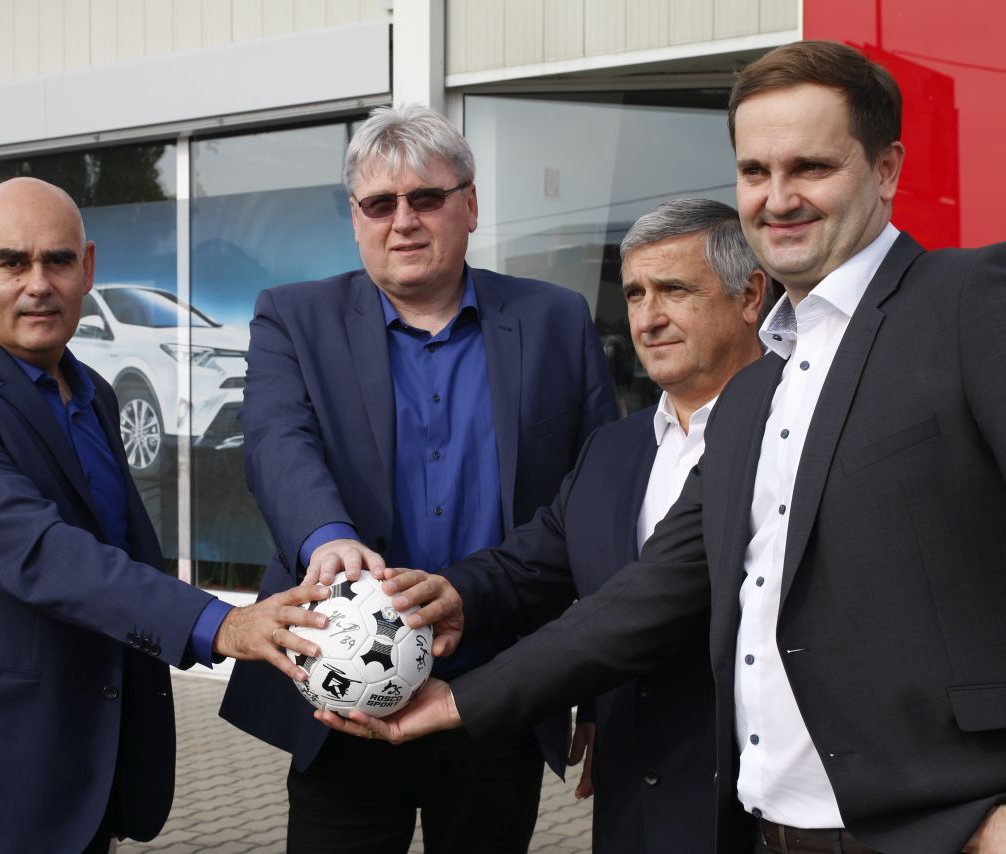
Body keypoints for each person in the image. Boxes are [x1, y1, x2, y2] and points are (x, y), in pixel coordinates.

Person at [320, 41, 1006, 854]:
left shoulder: (969, 302)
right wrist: (462, 700)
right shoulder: (760, 392)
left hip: (947, 826)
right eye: (754, 171)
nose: (778, 198)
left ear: (886, 170)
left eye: (811, 168)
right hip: (772, 829)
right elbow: (648, 597)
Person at [0, 177, 331, 854]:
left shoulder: (96, 394)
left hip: (78, 769)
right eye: (12, 262)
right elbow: (40, 552)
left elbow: (117, 551)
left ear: (87, 269)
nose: (38, 284)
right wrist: (221, 623)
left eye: (57, 260)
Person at [219, 103, 618, 853]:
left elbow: (600, 508)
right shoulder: (293, 318)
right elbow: (276, 441)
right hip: (342, 694)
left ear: (470, 205)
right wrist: (325, 537)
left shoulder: (555, 321)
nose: (402, 221)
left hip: (499, 688)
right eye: (380, 204)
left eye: (426, 198)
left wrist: (601, 690)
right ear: (356, 218)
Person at [562, 198, 764, 854]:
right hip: (632, 807)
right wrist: (432, 597)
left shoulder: (801, 432)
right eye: (635, 294)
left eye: (674, 290)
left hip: (763, 817)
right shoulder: (609, 450)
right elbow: (534, 568)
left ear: (750, 296)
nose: (648, 318)